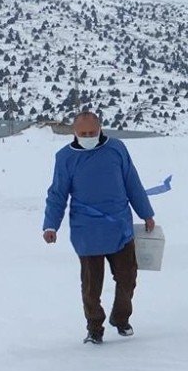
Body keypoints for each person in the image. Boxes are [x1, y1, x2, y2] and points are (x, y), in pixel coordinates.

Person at [42, 111, 156, 344]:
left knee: (127, 277)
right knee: (92, 287)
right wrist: (50, 225)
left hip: (119, 226)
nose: (88, 136)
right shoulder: (65, 158)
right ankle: (95, 327)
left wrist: (146, 212)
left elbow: (132, 182)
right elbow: (57, 193)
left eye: (92, 132)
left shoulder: (117, 149)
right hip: (87, 230)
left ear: (101, 129)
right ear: (74, 132)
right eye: (83, 133)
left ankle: (121, 318)